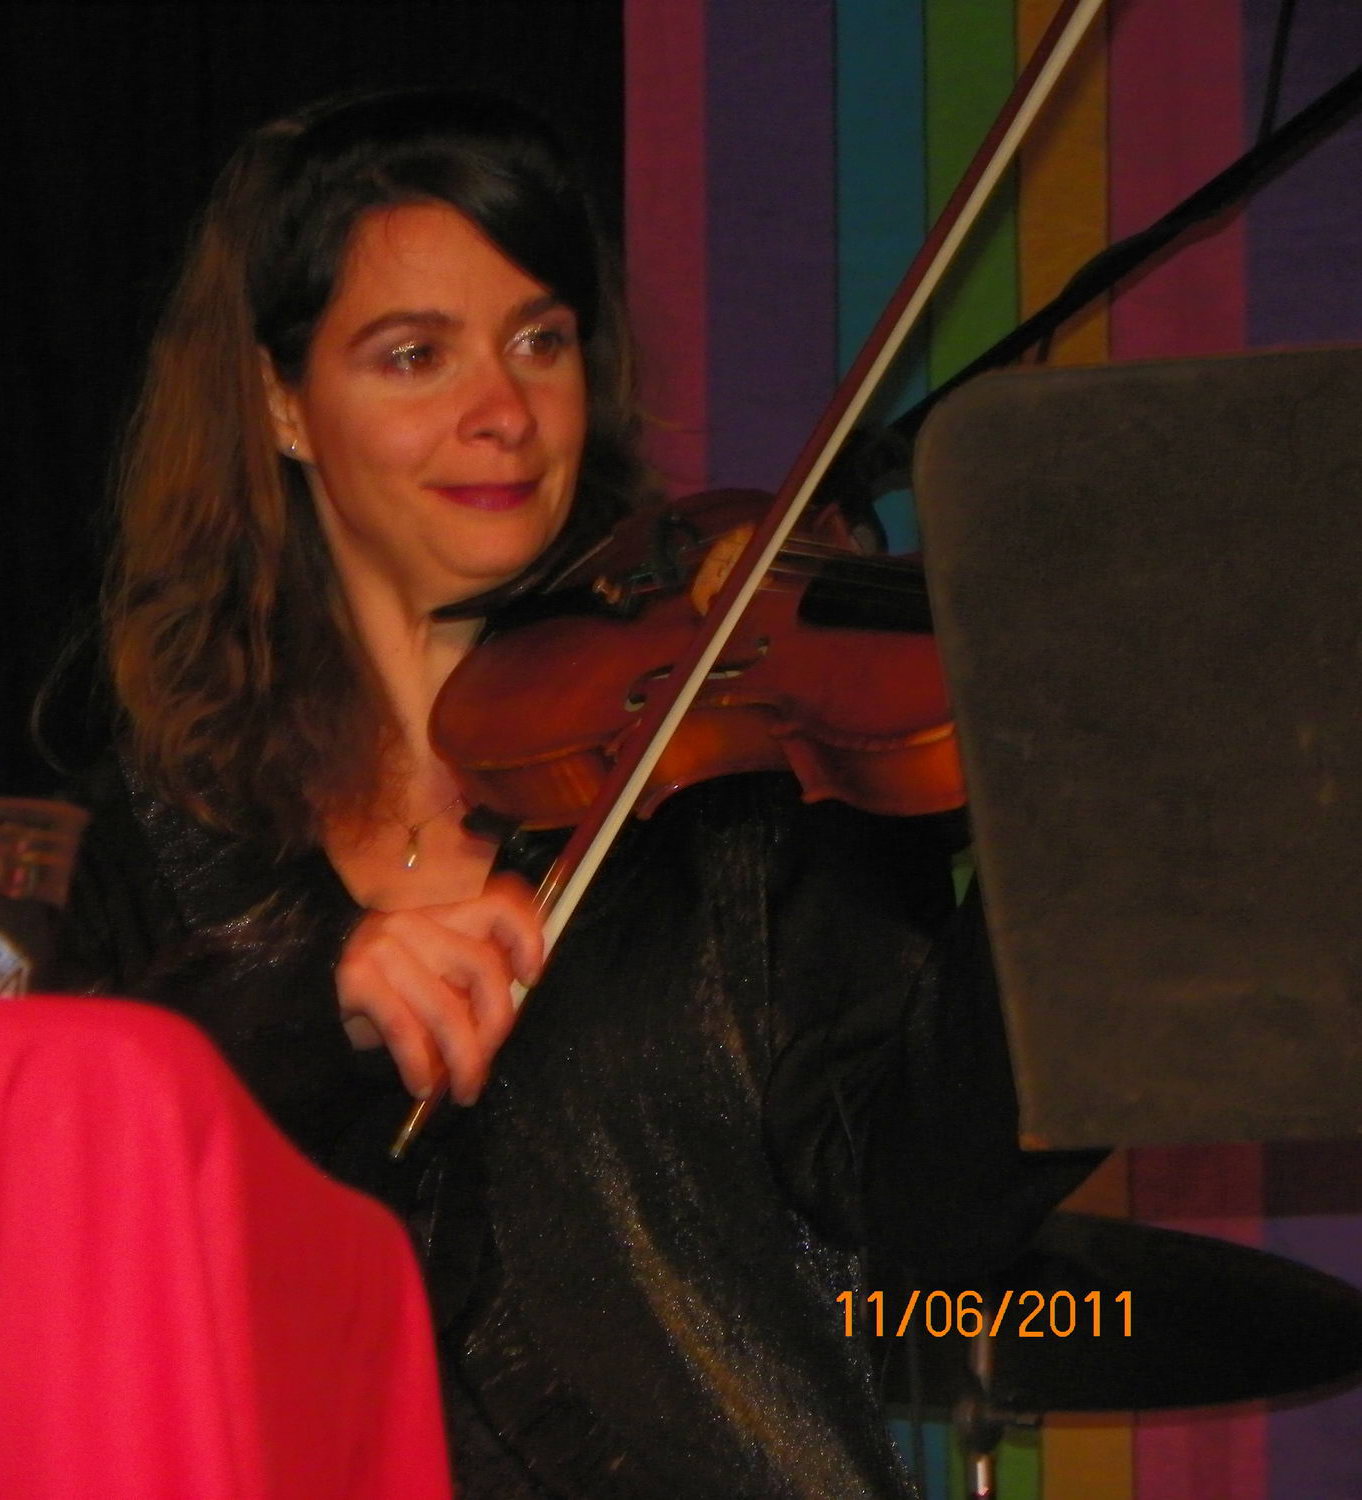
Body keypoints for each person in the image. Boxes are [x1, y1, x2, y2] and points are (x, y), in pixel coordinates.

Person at [57, 88, 1099, 1499]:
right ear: (283, 403)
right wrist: (313, 1001)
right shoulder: (174, 823)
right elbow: (69, 1219)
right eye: (415, 356)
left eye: (539, 341)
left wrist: (1084, 825)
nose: (504, 412)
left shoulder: (739, 763)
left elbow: (927, 1204)